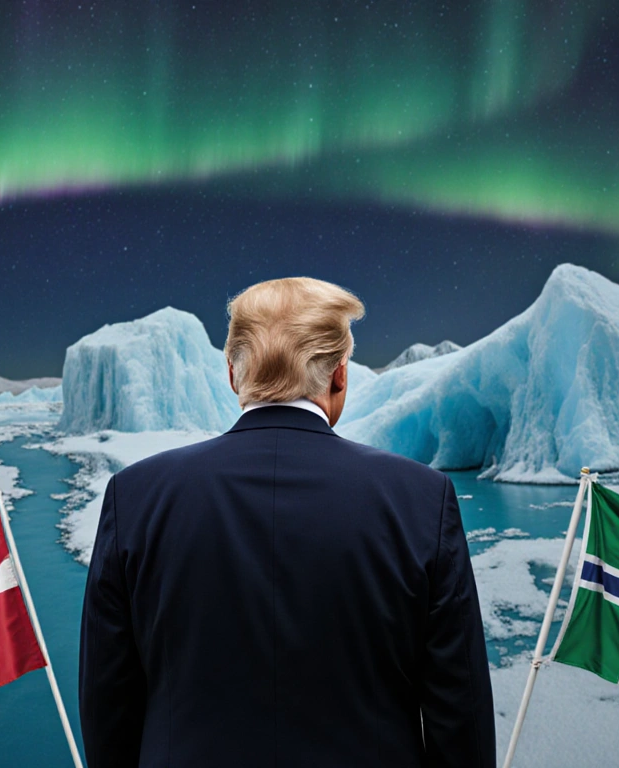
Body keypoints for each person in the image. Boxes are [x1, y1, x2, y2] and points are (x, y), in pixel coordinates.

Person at [78, 277, 495, 767]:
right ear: (341, 374)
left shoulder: (136, 499)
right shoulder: (422, 500)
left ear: (233, 375)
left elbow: (108, 707)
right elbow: (459, 714)